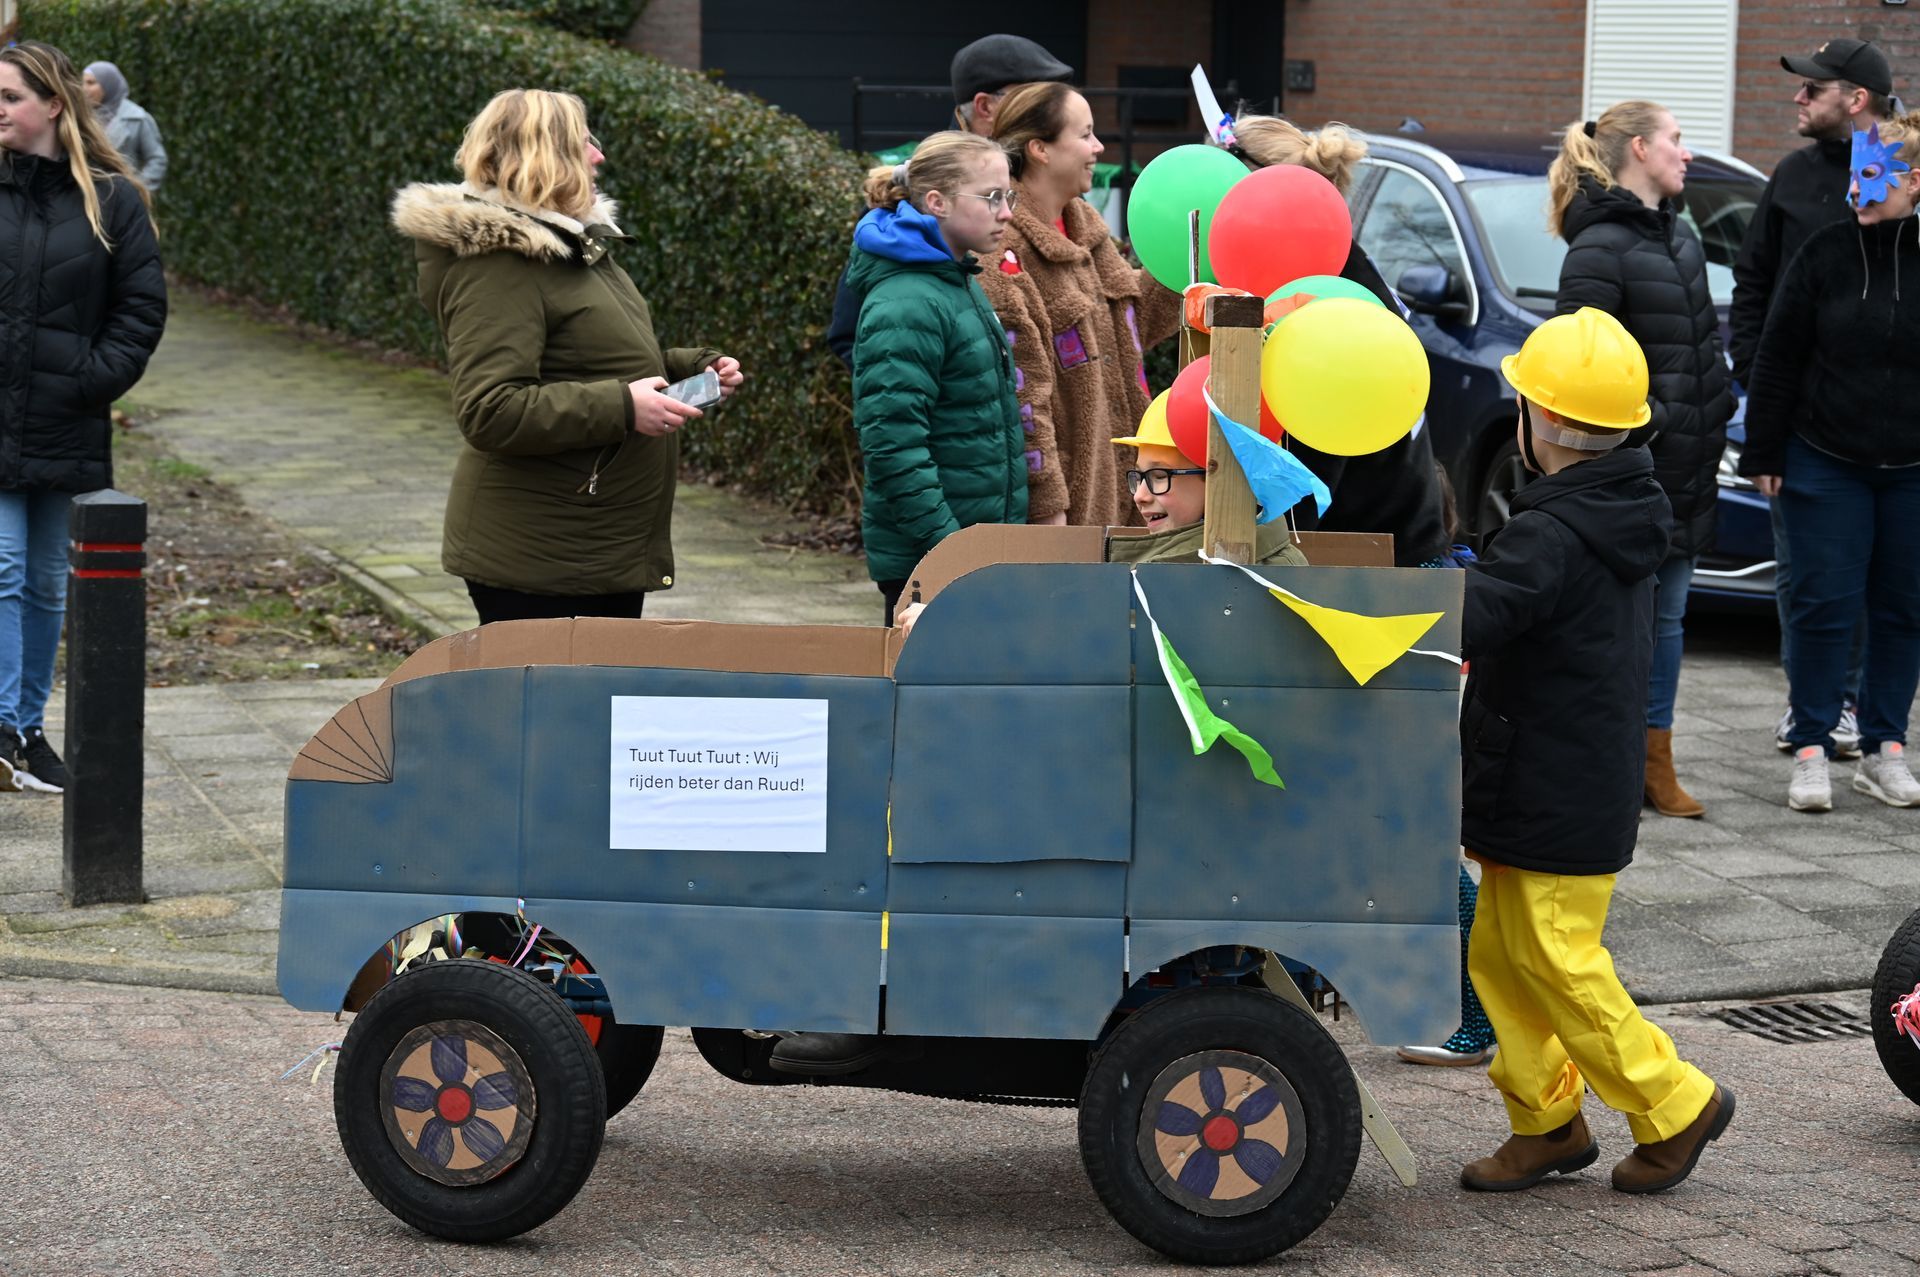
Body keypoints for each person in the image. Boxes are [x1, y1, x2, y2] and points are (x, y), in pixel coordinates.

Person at [1458, 307, 1730, 1195]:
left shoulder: (1550, 530)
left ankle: (1675, 1101)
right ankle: (1546, 1121)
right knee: (1503, 958)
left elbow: (1480, 613)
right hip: (1547, 779)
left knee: (1558, 961)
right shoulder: (1612, 510)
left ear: (1539, 420)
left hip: (1553, 788)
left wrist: (1407, 599)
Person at [391, 90, 742, 626]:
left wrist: (686, 368)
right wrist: (623, 406)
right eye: (583, 142)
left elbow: (587, 361)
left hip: (592, 544)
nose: (598, 155)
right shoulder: (500, 264)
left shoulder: (573, 246)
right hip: (541, 559)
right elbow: (489, 409)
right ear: (542, 156)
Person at [1547, 102, 1733, 819]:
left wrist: (1713, 405)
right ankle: (1609, 760)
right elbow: (1579, 367)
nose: (1687, 153)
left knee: (1671, 618)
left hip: (1689, 465)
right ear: (1640, 150)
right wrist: (1657, 422)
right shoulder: (1598, 248)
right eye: (1676, 140)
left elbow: (1701, 345)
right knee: (1616, 624)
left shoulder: (1680, 235)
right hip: (1634, 469)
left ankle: (1657, 759)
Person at [1738, 112, 1920, 814]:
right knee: (1823, 606)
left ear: (1913, 182)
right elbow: (1778, 355)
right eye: (1854, 176)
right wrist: (1763, 448)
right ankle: (1812, 744)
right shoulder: (1824, 253)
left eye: (1874, 177)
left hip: (1910, 469)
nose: (1857, 191)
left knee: (1902, 608)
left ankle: (1884, 747)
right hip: (1823, 459)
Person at [0, 41, 165, 795]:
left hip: (65, 420)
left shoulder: (113, 199)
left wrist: (88, 382)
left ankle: (27, 733)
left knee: (44, 582)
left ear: (54, 104)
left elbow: (140, 310)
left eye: (10, 96)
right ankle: (3, 728)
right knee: (3, 568)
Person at [1226, 115, 1451, 568]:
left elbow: (1311, 467)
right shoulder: (1333, 267)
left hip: (1382, 566)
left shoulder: (1329, 302)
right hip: (1383, 548)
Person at [844, 132, 1028, 625]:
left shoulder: (954, 280)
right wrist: (949, 551)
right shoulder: (907, 301)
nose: (1006, 213)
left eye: (1009, 197)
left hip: (972, 554)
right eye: (991, 197)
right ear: (936, 202)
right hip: (932, 564)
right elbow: (893, 446)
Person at [982, 80, 1181, 529]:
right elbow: (1021, 392)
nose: (1099, 147)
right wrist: (1048, 503)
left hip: (1124, 492)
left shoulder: (1086, 224)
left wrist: (1185, 264)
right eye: (1085, 134)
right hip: (1068, 511)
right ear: (1040, 149)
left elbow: (1134, 323)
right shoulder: (1003, 249)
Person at [826, 34, 1072, 367]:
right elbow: (850, 333)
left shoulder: (1046, 182)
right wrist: (940, 388)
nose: (1050, 113)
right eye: (1034, 99)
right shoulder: (919, 189)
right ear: (985, 106)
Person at [81, 61, 165, 191]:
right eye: (83, 83)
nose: (84, 89)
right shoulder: (81, 117)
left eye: (91, 83)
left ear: (108, 85)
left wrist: (138, 189)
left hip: (122, 195)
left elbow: (157, 159)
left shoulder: (137, 118)